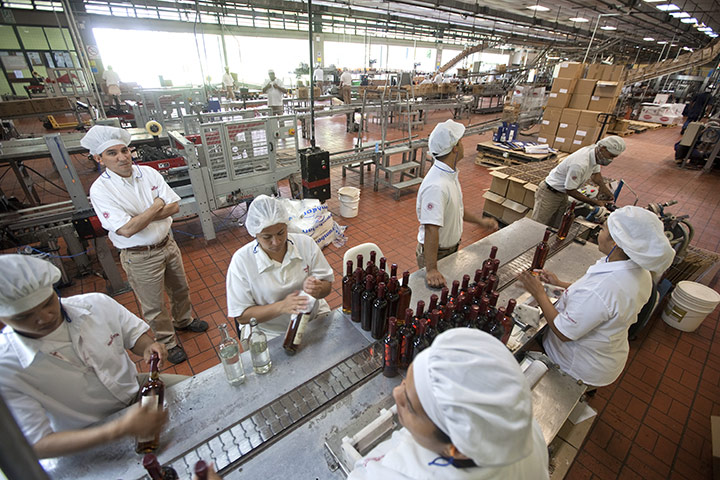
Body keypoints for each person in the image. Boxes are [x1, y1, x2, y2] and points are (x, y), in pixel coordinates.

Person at [0, 254, 184, 459]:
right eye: (24, 316)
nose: (44, 318)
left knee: (201, 386)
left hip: (135, 390)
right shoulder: (6, 366)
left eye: (48, 303)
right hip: (85, 435)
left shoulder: (96, 305)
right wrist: (118, 429)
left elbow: (133, 335)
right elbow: (34, 445)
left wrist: (148, 346)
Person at [348, 328, 549, 479]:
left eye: (409, 405)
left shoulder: (390, 474)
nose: (396, 393)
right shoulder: (524, 428)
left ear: (457, 450)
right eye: (405, 382)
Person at [84, 126, 208, 365]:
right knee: (154, 305)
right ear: (99, 159)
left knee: (180, 289)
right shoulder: (100, 190)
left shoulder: (148, 174)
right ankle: (168, 342)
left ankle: (183, 320)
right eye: (112, 153)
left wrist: (139, 217)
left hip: (167, 244)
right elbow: (127, 230)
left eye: (124, 150)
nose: (122, 157)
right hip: (139, 256)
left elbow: (174, 207)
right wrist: (155, 205)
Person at [519, 206, 674, 388]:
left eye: (603, 229)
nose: (598, 231)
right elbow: (598, 300)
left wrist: (538, 292)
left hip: (578, 366)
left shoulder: (605, 287)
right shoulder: (639, 270)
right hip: (608, 351)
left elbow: (563, 332)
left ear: (616, 243)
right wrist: (559, 283)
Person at [226, 195, 334, 339]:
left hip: (311, 320)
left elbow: (327, 286)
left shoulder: (306, 244)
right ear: (255, 234)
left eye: (281, 233)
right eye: (267, 237)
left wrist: (319, 288)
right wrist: (282, 306)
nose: (276, 242)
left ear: (286, 226)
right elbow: (242, 316)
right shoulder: (242, 261)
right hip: (268, 333)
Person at [416, 120, 498, 288]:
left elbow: (455, 209)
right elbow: (431, 228)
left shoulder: (449, 174)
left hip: (449, 250)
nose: (463, 145)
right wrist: (431, 269)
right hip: (436, 254)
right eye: (460, 141)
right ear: (454, 148)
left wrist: (480, 222)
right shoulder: (436, 186)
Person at [531, 136, 625, 228]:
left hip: (562, 194)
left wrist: (603, 188)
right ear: (603, 148)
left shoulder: (595, 154)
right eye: (611, 156)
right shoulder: (580, 164)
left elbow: (595, 174)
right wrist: (594, 202)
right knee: (538, 225)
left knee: (556, 225)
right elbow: (570, 190)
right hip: (550, 193)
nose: (611, 160)